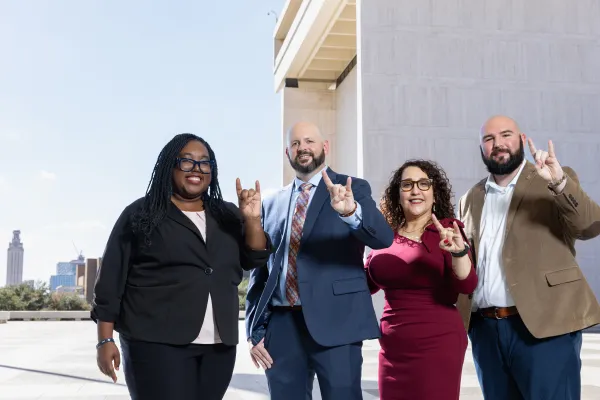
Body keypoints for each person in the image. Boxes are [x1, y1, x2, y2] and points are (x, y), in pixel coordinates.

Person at [91, 133, 272, 400]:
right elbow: (109, 282)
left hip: (218, 346)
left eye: (204, 163)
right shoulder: (140, 214)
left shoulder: (229, 215)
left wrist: (252, 220)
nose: (196, 169)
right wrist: (105, 340)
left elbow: (255, 258)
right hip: (154, 342)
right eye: (186, 162)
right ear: (169, 166)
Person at [245, 121, 394, 400]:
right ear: (287, 153)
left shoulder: (352, 189)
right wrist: (255, 328)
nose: (302, 148)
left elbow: (383, 238)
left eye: (309, 141)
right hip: (282, 327)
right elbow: (261, 270)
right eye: (295, 144)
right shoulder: (271, 202)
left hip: (338, 322)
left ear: (325, 147)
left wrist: (351, 213)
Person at [456, 115, 600, 400]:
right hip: (487, 331)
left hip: (545, 328)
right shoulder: (469, 199)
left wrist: (558, 182)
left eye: (506, 135)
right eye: (489, 139)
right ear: (482, 148)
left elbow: (589, 225)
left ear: (522, 140)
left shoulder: (553, 180)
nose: (498, 144)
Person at [364, 160, 477, 400]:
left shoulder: (448, 229)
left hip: (437, 344)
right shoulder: (385, 234)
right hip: (392, 347)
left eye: (423, 184)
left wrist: (458, 252)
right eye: (407, 185)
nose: (415, 190)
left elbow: (467, 285)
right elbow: (364, 285)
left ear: (435, 195)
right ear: (398, 194)